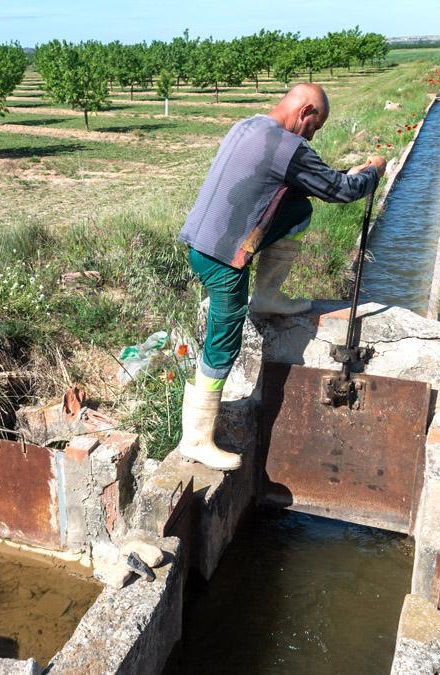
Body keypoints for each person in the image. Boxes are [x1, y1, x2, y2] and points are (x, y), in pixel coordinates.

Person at [176, 83, 385, 471]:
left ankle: (268, 294)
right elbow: (338, 191)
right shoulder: (290, 147)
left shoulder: (249, 125)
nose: (312, 134)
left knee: (297, 210)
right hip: (222, 257)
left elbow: (307, 185)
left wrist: (340, 175)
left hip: (200, 241)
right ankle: (196, 438)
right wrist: (371, 174)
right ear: (306, 112)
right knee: (223, 340)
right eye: (315, 127)